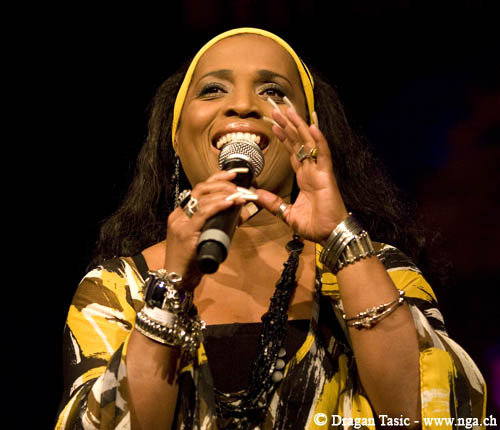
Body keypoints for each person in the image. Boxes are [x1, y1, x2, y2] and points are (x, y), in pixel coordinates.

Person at [55, 28, 486, 430]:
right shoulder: (115, 289)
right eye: (213, 89)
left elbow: (430, 415)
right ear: (177, 137)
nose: (243, 105)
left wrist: (341, 237)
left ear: (309, 135)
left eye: (273, 91)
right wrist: (171, 288)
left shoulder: (379, 270)